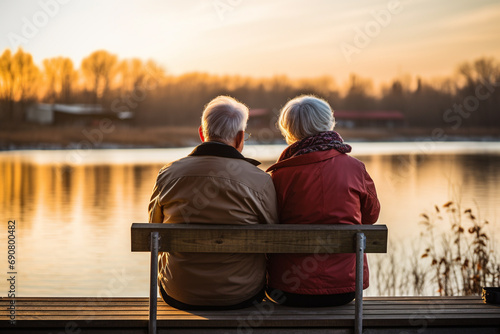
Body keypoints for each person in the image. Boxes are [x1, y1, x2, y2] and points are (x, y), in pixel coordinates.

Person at [148, 96, 278, 310]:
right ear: (240, 137)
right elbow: (273, 234)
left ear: (202, 133)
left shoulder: (168, 175)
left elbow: (154, 228)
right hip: (243, 294)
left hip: (178, 292)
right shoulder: (260, 180)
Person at [266, 95, 380, 307]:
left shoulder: (280, 175)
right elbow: (371, 216)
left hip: (288, 289)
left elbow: (270, 221)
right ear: (329, 123)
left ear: (289, 130)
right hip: (345, 288)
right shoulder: (355, 169)